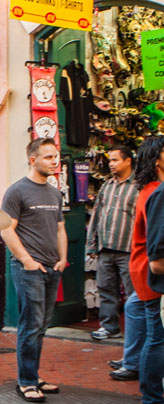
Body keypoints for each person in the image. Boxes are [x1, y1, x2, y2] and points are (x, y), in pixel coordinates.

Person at [0, 137, 67, 403]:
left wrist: (62, 258)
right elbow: (7, 229)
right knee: (30, 324)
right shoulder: (17, 191)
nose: (55, 161)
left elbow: (60, 228)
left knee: (42, 326)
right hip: (29, 269)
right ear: (32, 159)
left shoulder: (54, 192)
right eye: (49, 157)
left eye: (55, 156)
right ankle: (26, 381)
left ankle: (33, 375)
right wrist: (26, 259)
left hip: (53, 268)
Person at [109, 137, 164, 402]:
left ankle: (135, 368)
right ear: (157, 160)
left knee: (141, 318)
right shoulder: (155, 191)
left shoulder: (150, 189)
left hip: (144, 270)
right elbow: (156, 248)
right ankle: (151, 395)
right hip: (150, 274)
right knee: (156, 336)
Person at [87, 145, 138, 341]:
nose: (111, 164)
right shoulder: (107, 186)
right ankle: (109, 327)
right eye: (110, 160)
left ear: (128, 161)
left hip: (128, 249)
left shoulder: (138, 186)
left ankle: (135, 332)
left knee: (133, 293)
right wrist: (92, 245)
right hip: (106, 248)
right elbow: (97, 215)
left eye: (115, 160)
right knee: (106, 290)